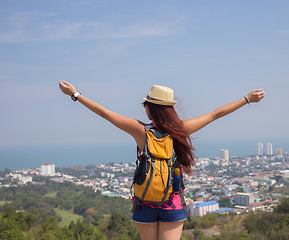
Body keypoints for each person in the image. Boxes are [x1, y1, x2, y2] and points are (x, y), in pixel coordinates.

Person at [59, 80, 265, 240]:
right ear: (169, 109)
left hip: (145, 202)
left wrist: (75, 94)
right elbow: (214, 115)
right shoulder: (180, 130)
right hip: (172, 202)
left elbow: (105, 114)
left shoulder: (140, 131)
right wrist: (246, 99)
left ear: (150, 108)